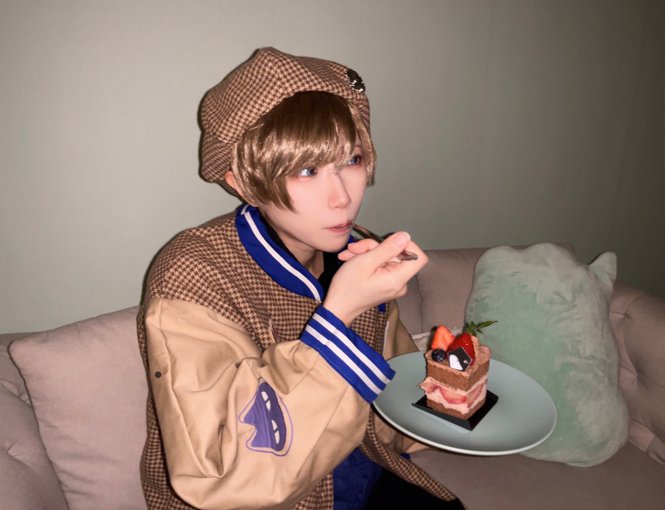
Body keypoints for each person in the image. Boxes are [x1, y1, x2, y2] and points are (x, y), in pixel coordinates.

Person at [138, 47, 462, 509]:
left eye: (351, 160)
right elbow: (225, 477)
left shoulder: (357, 250)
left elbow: (390, 402)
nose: (341, 197)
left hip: (365, 474)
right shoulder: (193, 274)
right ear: (242, 183)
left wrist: (452, 400)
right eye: (306, 170)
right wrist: (339, 315)